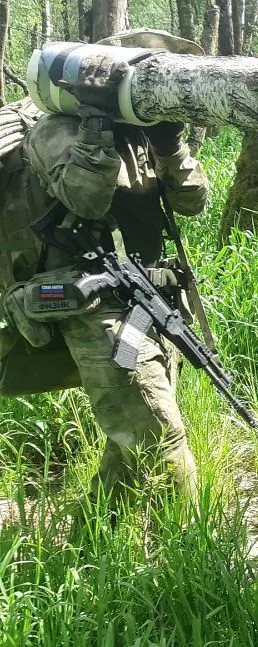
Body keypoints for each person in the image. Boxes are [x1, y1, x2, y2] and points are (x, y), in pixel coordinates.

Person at [0, 53, 208, 518]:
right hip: (95, 310)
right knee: (156, 434)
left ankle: (92, 528)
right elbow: (87, 200)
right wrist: (94, 125)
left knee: (134, 430)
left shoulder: (142, 136)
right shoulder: (56, 131)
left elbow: (192, 202)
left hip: (146, 303)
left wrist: (171, 145)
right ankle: (189, 543)